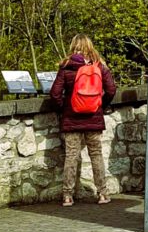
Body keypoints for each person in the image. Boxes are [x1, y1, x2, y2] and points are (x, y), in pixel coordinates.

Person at [50, 34, 117, 207]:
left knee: (71, 155)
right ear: (90, 45)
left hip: (72, 118)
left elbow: (55, 94)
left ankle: (67, 196)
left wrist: (65, 108)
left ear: (73, 46)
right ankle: (102, 193)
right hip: (93, 117)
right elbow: (111, 89)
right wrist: (99, 105)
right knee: (96, 154)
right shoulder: (99, 65)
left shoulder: (66, 66)